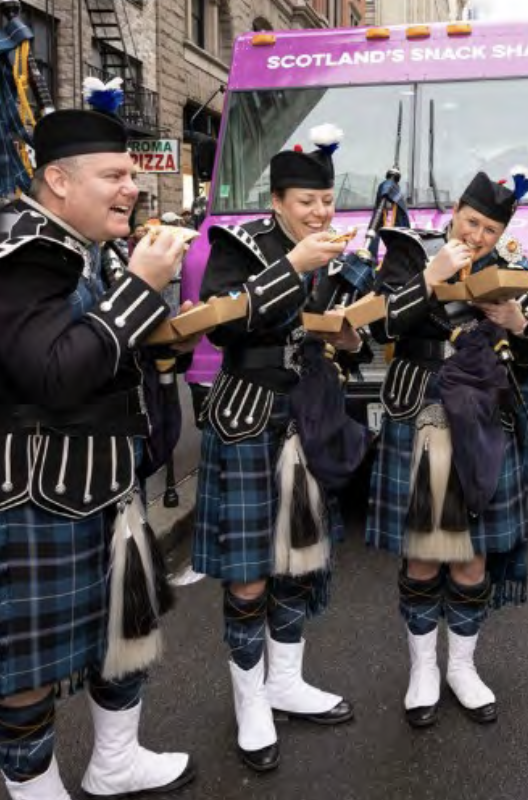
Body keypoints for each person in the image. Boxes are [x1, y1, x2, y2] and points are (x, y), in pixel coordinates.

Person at [0, 100, 194, 796]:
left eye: (132, 173)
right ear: (57, 180)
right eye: (113, 174)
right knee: (26, 669)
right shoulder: (21, 249)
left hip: (105, 481)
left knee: (125, 627)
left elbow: (107, 344)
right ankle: (33, 789)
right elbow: (51, 374)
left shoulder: (87, 244)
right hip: (38, 494)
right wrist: (142, 290)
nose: (132, 187)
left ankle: (115, 760)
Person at [193, 124, 362, 774]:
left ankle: (285, 680)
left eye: (326, 202)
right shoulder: (238, 245)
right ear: (277, 202)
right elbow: (220, 320)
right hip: (246, 418)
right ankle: (249, 702)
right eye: (306, 203)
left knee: (299, 557)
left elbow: (331, 329)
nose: (321, 213)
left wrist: (348, 338)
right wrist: (293, 268)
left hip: (308, 414)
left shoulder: (331, 255)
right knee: (248, 569)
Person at [366, 170, 528, 728]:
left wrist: (518, 324)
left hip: (484, 421)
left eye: (490, 230)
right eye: (471, 222)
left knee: (473, 557)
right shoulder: (408, 252)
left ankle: (462, 668)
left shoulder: (512, 270)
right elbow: (380, 329)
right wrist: (431, 276)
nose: (477, 236)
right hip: (419, 412)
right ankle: (423, 669)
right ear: (455, 211)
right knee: (423, 554)